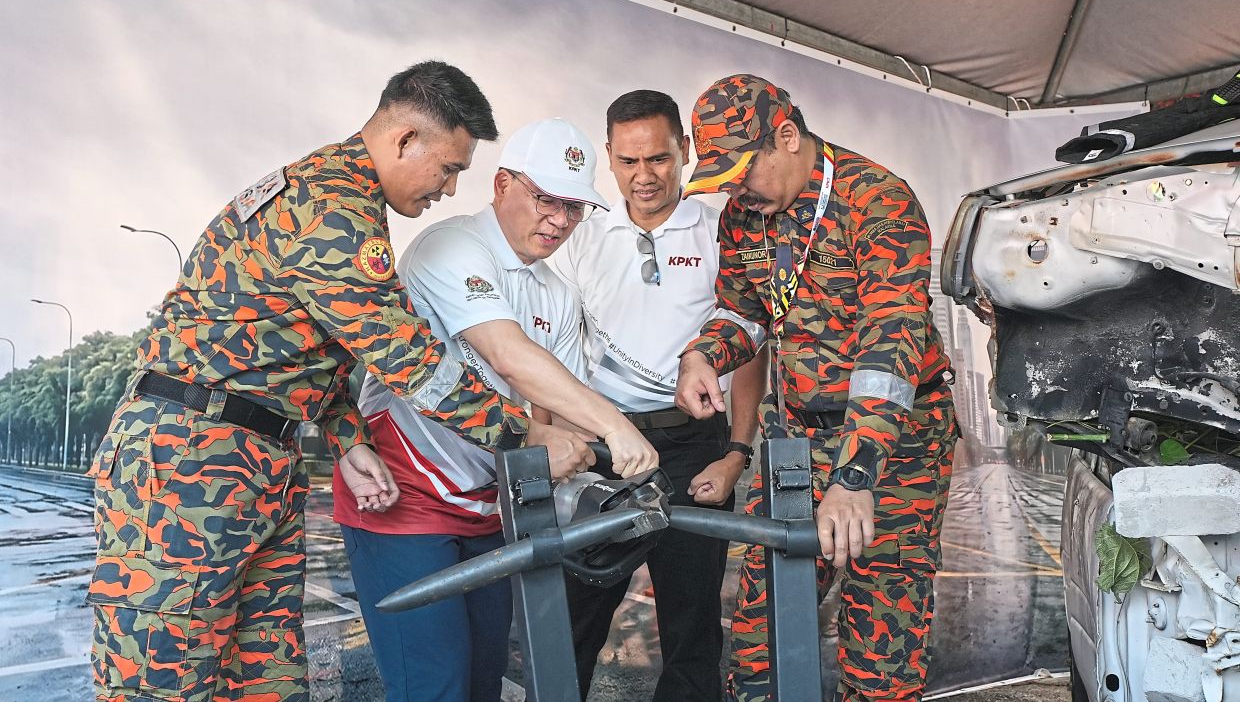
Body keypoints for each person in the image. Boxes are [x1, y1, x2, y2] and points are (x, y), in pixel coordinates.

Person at [86, 61, 549, 702]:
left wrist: (347, 436)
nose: (446, 190)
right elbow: (405, 357)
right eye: (448, 168)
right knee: (164, 679)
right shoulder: (330, 208)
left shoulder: (340, 200)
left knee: (267, 681)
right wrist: (525, 437)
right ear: (404, 140)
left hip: (256, 459)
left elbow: (299, 351)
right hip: (189, 458)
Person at [336, 117, 659, 702]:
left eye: (575, 208)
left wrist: (591, 465)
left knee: (485, 681)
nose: (559, 221)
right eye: (546, 200)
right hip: (403, 496)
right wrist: (617, 427)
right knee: (434, 688)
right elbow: (507, 357)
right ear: (504, 184)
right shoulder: (450, 245)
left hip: (489, 508)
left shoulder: (556, 294)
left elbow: (552, 411)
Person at [674, 74, 957, 702]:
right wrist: (702, 355)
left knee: (882, 632)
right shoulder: (747, 215)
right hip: (796, 440)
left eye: (744, 171)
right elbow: (743, 311)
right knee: (762, 632)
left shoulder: (878, 201)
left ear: (787, 135)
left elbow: (892, 340)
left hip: (895, 447)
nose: (737, 191)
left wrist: (856, 477)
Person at [554, 90, 767, 701]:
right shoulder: (580, 236)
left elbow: (752, 344)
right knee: (575, 621)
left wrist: (735, 455)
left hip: (695, 449)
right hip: (604, 452)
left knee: (692, 628)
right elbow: (553, 349)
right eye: (627, 161)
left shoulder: (721, 228)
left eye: (658, 159)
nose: (643, 176)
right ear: (609, 159)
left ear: (685, 151)